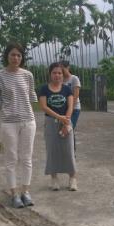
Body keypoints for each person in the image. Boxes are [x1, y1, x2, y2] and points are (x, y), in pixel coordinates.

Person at [0, 43, 38, 209]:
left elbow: (31, 96)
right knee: (11, 159)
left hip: (28, 121)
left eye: (19, 55)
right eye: (12, 54)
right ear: (7, 56)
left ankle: (25, 191)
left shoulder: (28, 75)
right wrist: (7, 108)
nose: (16, 58)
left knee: (27, 158)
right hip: (9, 122)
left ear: (22, 57)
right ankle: (14, 194)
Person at [38, 62, 77, 191]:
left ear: (63, 74)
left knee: (69, 151)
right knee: (52, 150)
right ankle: (54, 178)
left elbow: (70, 106)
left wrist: (65, 121)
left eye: (59, 73)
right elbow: (44, 107)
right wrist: (59, 117)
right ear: (50, 74)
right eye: (54, 73)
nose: (57, 75)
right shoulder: (44, 88)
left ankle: (72, 178)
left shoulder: (67, 89)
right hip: (50, 123)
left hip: (66, 121)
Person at [60, 61, 82, 130]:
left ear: (68, 68)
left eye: (62, 68)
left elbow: (75, 96)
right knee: (62, 129)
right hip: (63, 108)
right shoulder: (60, 79)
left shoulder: (74, 78)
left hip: (74, 108)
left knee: (69, 128)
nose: (61, 71)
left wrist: (70, 109)